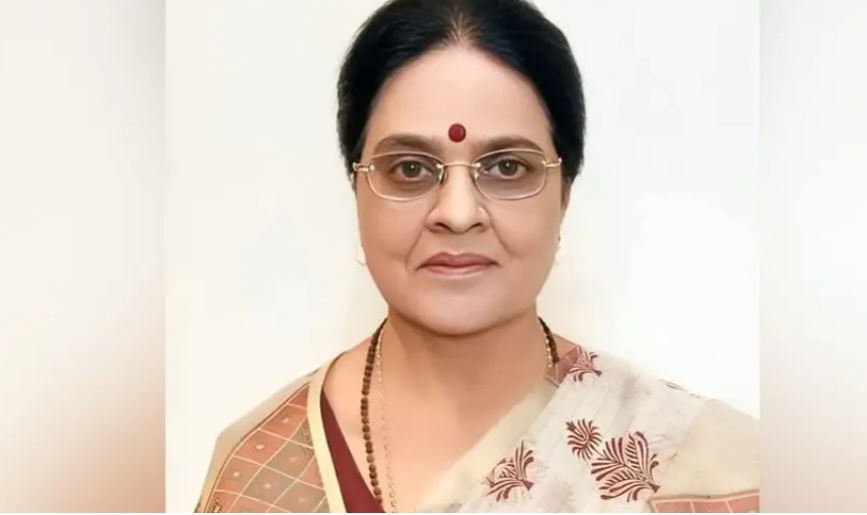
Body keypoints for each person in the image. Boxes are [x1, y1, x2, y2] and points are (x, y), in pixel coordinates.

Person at [193, 0, 759, 512]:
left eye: (508, 167)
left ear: (564, 196)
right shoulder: (258, 474)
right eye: (410, 168)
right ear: (357, 190)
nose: (458, 213)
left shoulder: (710, 467)